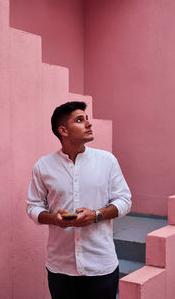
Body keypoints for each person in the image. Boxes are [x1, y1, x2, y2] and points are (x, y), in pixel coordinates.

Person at [27, 101, 132, 299]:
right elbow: (33, 206)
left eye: (87, 118)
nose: (89, 124)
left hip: (101, 265)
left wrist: (97, 215)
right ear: (63, 130)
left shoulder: (107, 161)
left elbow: (125, 200)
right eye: (80, 120)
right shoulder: (43, 166)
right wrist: (54, 219)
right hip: (60, 268)